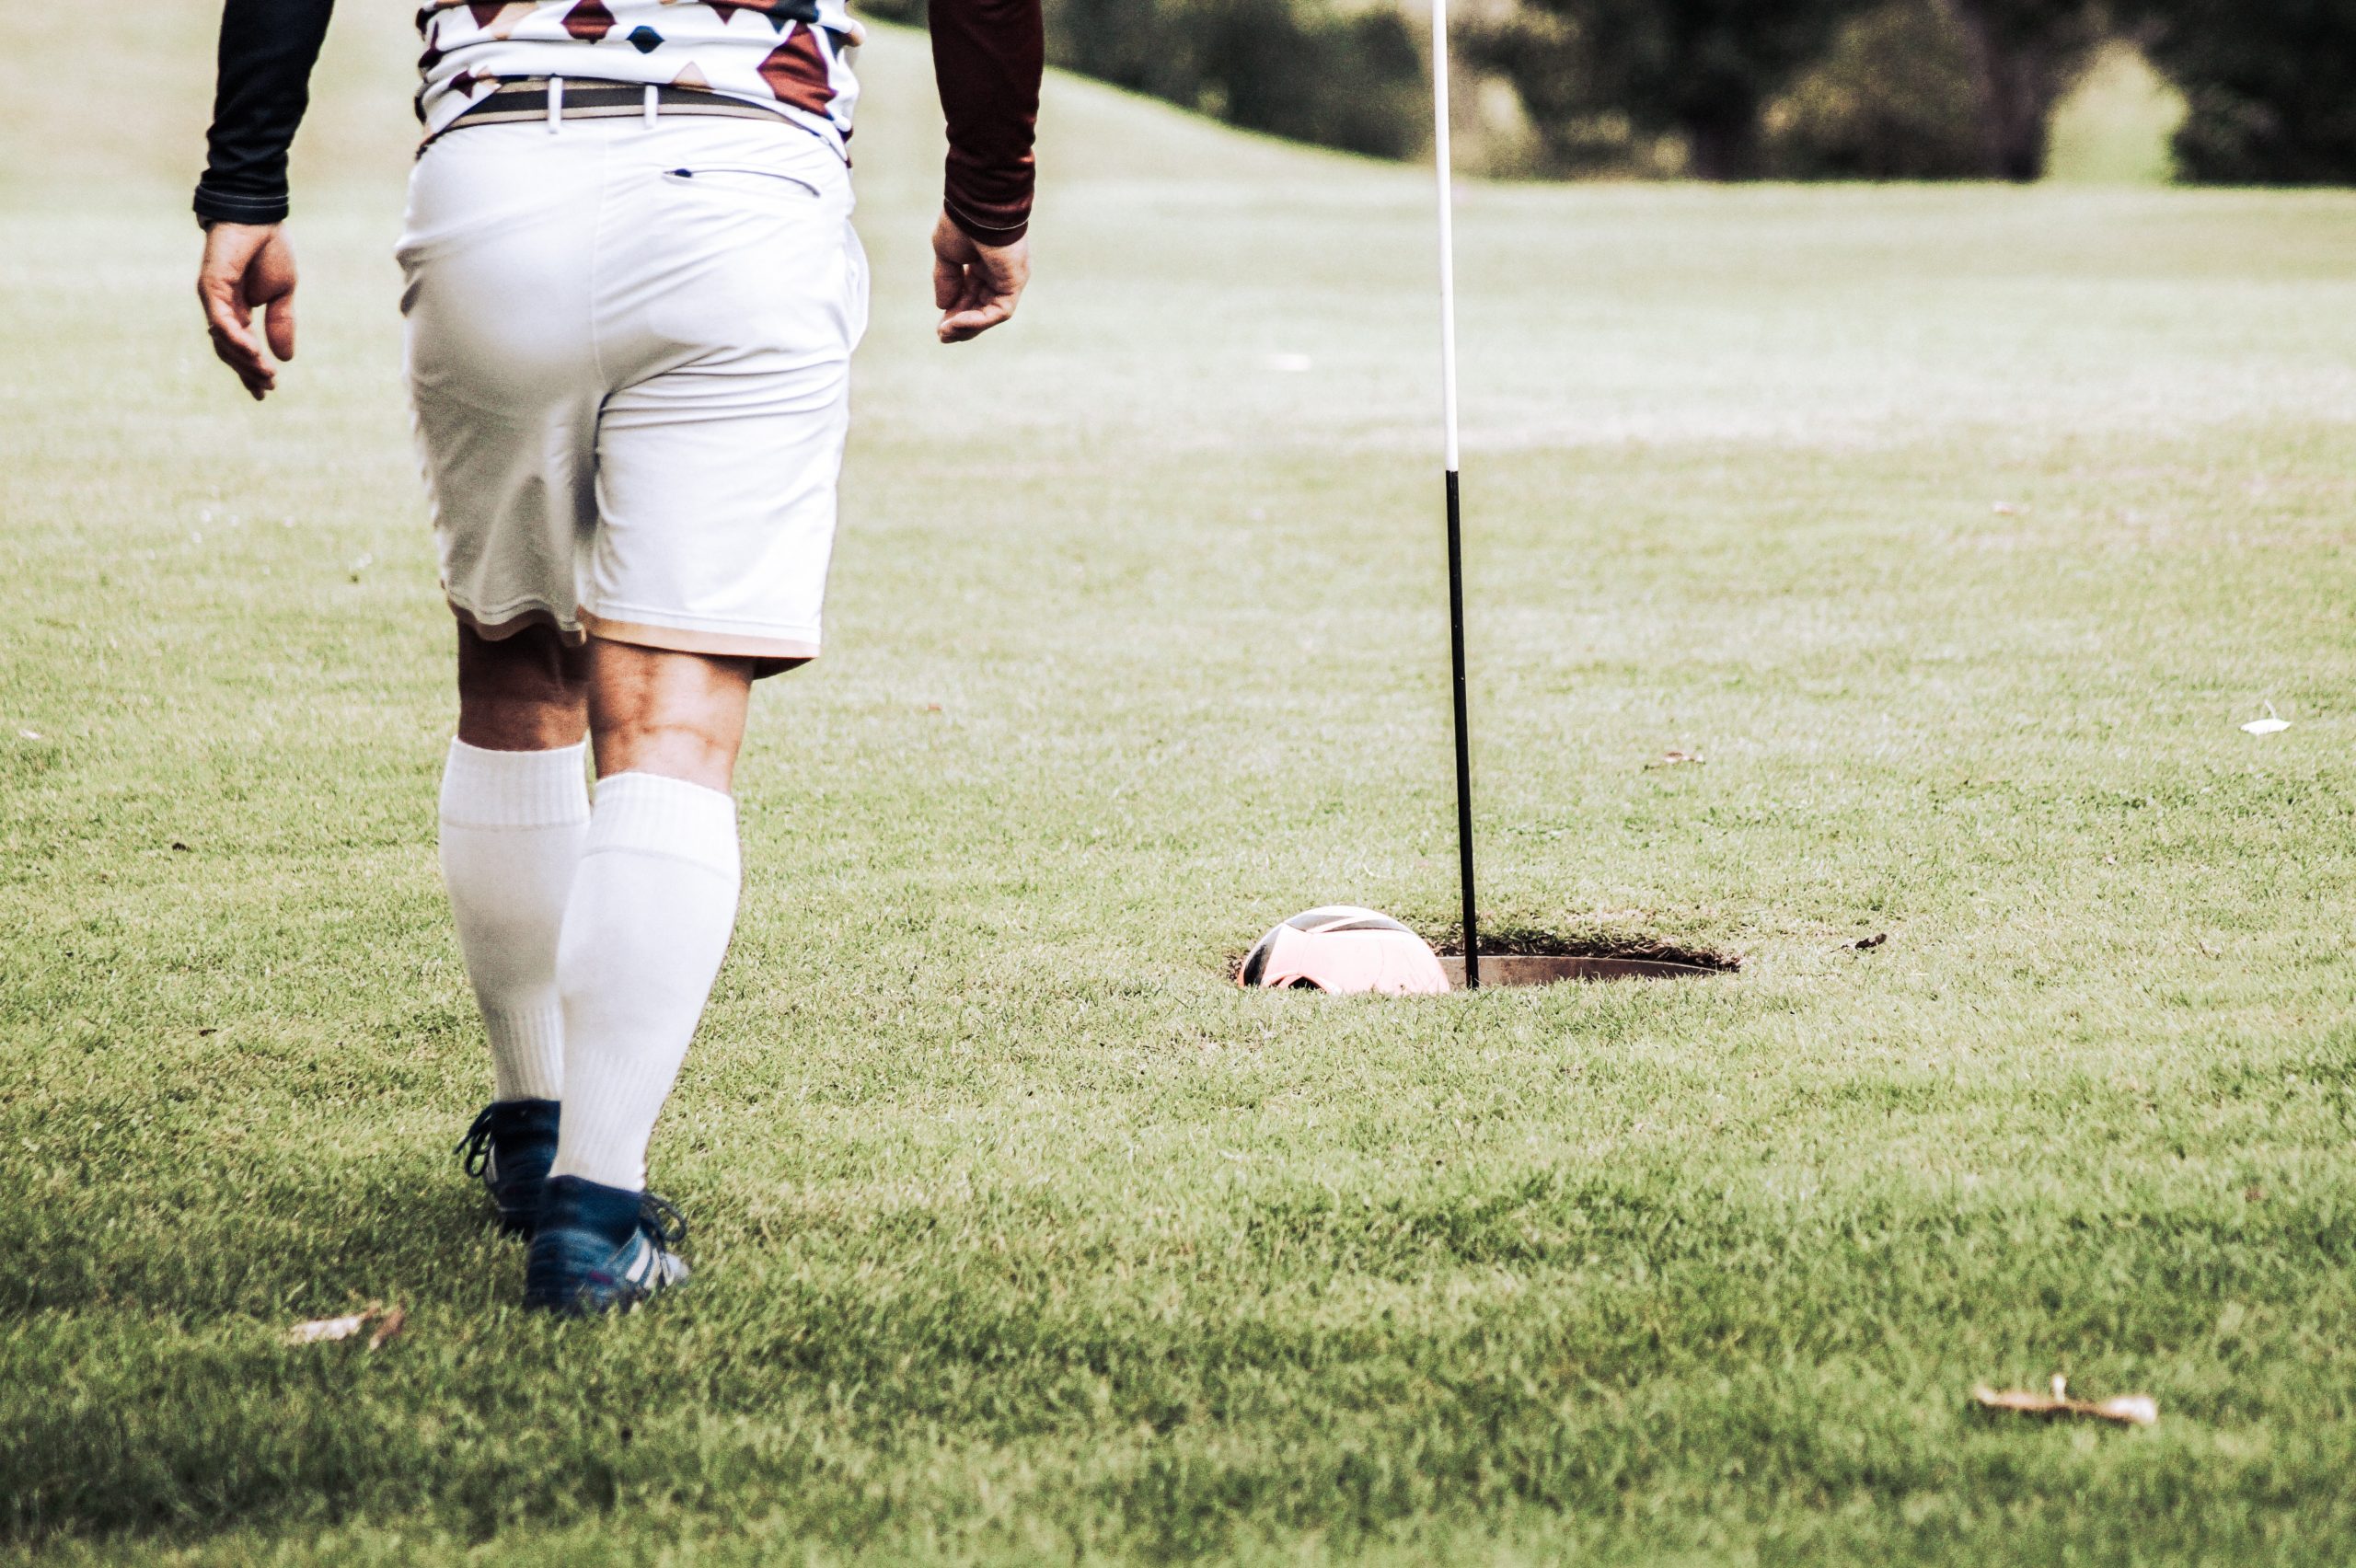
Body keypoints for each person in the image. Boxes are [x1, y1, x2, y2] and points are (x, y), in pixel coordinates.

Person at [192, 0, 1043, 1314]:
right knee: (674, 721)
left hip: (498, 181)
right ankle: (593, 1211)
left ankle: (534, 1130)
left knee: (516, 668)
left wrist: (243, 182)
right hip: (748, 179)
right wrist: (989, 202)